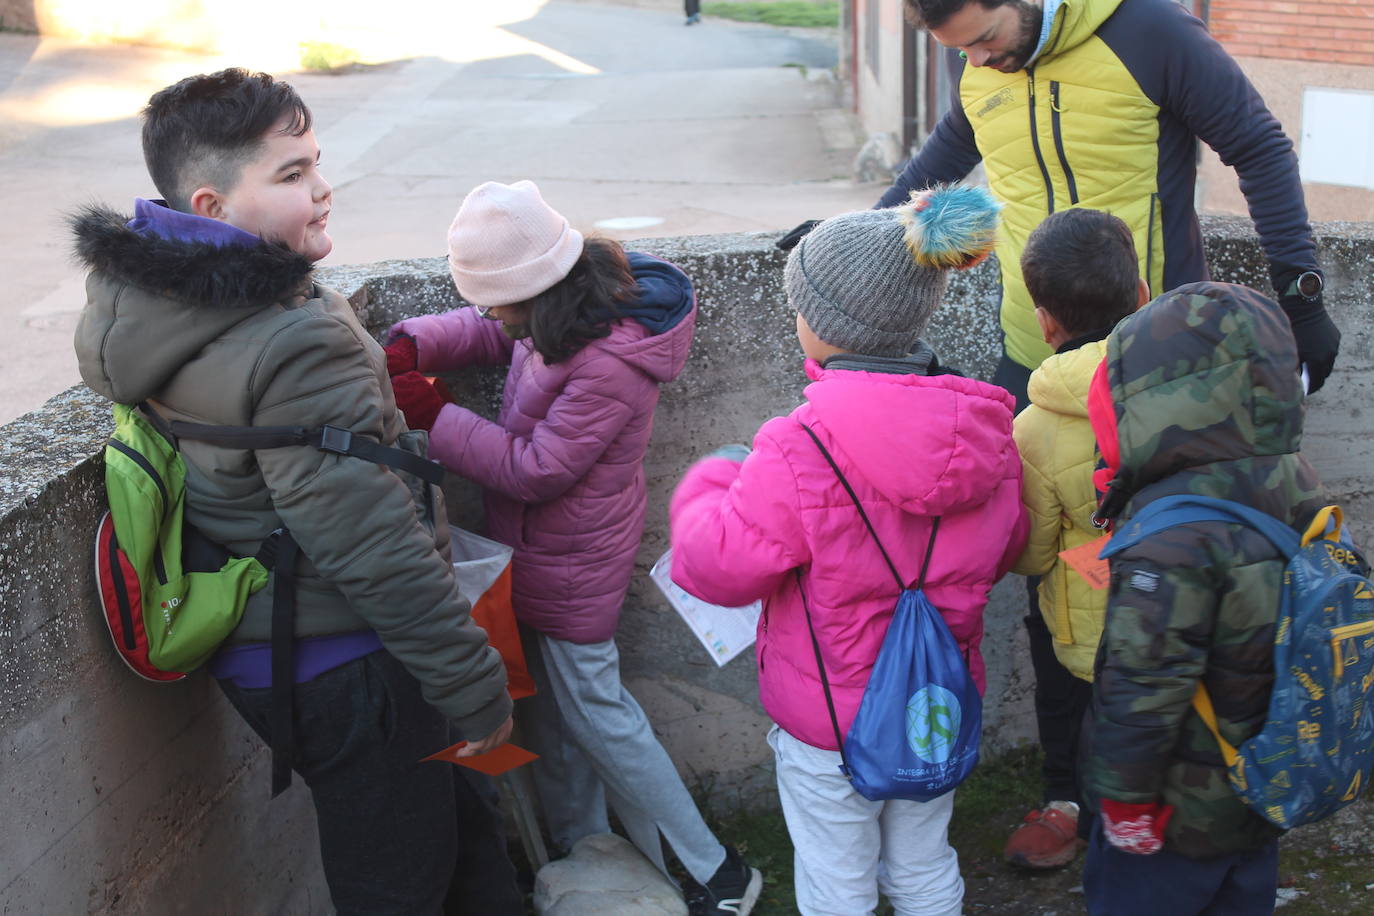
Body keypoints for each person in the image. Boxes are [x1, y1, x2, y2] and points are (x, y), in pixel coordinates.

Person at [71, 69, 520, 914]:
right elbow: (369, 540)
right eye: (290, 175)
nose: (322, 189)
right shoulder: (293, 338)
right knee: (398, 884)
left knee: (462, 845)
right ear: (209, 207)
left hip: (265, 647)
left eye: (316, 163)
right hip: (350, 660)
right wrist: (471, 682)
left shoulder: (150, 302)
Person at [383, 179, 762, 916]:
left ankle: (716, 871)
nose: (492, 315)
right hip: (540, 552)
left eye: (497, 300)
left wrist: (433, 410)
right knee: (556, 711)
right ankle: (584, 848)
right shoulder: (564, 304)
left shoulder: (609, 358)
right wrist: (415, 343)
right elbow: (493, 330)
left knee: (598, 711)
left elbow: (538, 468)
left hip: (575, 559)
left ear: (533, 289)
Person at [668, 185, 1029, 916]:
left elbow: (714, 566)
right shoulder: (989, 433)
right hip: (936, 703)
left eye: (802, 307)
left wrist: (710, 480)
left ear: (826, 327)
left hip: (829, 723)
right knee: (925, 863)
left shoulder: (798, 446)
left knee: (838, 878)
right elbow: (1010, 543)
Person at [884, 0, 1340, 401]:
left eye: (984, 39)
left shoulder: (1151, 28)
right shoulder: (976, 56)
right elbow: (954, 142)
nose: (976, 61)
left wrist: (1301, 297)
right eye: (960, 50)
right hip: (1032, 352)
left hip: (1157, 352)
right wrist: (851, 233)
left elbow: (1259, 149)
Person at [1079, 281, 1325, 914]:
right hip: (1265, 783)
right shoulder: (1293, 479)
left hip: (1175, 821)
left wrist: (1125, 801)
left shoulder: (1171, 534)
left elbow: (1142, 689)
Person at [1003, 208, 1147, 868]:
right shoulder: (1191, 382)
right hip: (1194, 598)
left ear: (1046, 324)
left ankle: (1067, 803)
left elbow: (1033, 553)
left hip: (1085, 631)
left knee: (1067, 698)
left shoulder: (1034, 425)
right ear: (1143, 297)